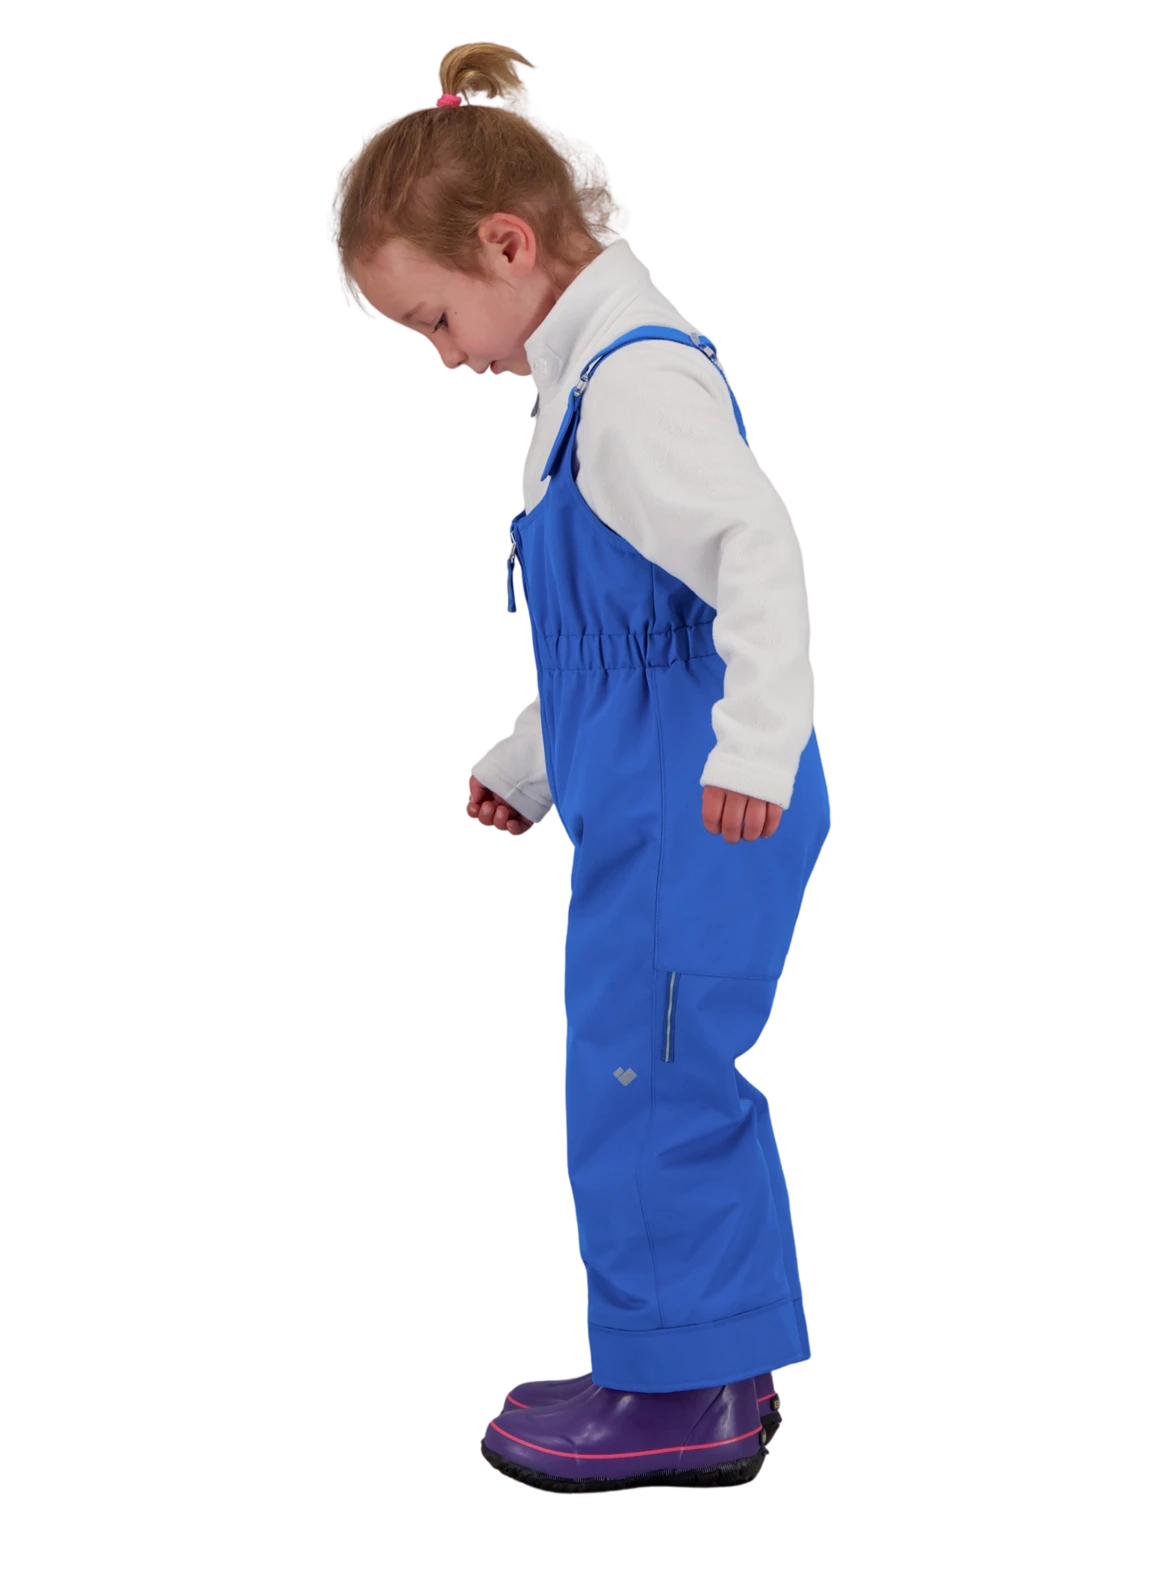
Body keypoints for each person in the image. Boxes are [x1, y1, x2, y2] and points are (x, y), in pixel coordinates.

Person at [328, 41, 830, 1493]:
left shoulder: (633, 385)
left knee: (647, 1078)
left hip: (699, 800)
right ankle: (705, 1354)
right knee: (649, 1064)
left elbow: (759, 552)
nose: (441, 356)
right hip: (642, 797)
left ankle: (680, 1391)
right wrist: (530, 764)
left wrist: (755, 748)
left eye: (433, 320)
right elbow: (611, 638)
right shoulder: (576, 390)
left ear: (509, 242)